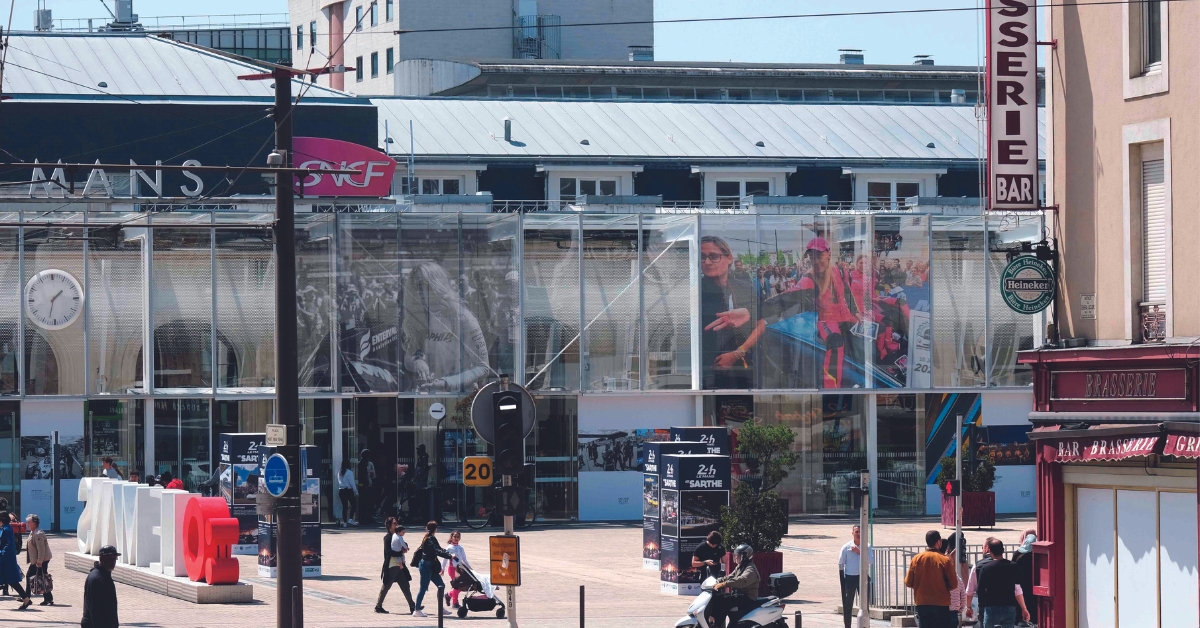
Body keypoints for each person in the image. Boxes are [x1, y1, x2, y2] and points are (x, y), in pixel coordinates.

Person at [700, 235, 764, 389]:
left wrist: (738, 353)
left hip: (741, 365)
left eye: (714, 257)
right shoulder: (696, 290)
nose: (707, 262)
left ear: (729, 259)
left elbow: (761, 323)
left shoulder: (744, 288)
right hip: (706, 369)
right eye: (702, 257)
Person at [965, 539, 1031, 628]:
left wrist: (983, 605)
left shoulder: (986, 568)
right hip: (1009, 607)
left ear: (990, 551)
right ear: (1003, 550)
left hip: (991, 607)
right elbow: (1018, 589)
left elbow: (980, 590)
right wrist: (1024, 608)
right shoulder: (1013, 566)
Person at [904, 530, 957, 628]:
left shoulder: (916, 558)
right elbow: (954, 584)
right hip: (941, 603)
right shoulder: (945, 560)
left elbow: (908, 582)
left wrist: (919, 587)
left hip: (922, 602)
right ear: (939, 542)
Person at [708, 544, 760, 628]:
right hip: (739, 595)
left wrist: (724, 584)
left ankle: (717, 625)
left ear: (745, 556)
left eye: (738, 555)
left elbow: (742, 581)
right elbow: (730, 577)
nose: (735, 557)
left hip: (748, 598)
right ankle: (714, 621)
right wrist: (717, 581)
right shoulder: (740, 566)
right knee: (717, 598)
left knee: (723, 601)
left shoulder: (750, 569)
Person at [412, 521, 454, 618]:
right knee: (423, 588)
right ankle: (416, 609)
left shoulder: (432, 538)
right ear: (435, 529)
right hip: (426, 566)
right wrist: (449, 556)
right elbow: (436, 550)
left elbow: (439, 549)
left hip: (431, 566)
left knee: (441, 585)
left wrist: (449, 554)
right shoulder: (429, 539)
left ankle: (440, 609)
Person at [376, 517, 415, 615]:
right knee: (386, 586)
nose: (396, 524)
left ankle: (412, 606)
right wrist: (400, 552)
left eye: (397, 523)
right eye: (394, 523)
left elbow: (403, 543)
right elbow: (388, 552)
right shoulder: (388, 537)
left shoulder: (397, 535)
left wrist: (405, 546)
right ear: (389, 525)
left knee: (405, 585)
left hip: (400, 566)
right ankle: (378, 606)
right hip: (392, 565)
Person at [837, 524, 873, 628]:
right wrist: (843, 580)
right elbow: (841, 563)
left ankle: (866, 625)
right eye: (856, 532)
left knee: (865, 606)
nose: (858, 534)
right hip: (850, 578)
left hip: (863, 578)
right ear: (852, 533)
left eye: (860, 532)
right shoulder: (846, 547)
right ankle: (847, 625)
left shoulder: (867, 546)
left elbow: (871, 560)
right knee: (848, 605)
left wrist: (860, 552)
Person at [82, 545, 120, 628]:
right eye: (109, 559)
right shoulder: (96, 579)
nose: (112, 562)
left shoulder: (105, 575)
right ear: (101, 559)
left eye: (114, 559)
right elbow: (95, 609)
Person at [0, 512, 31, 610]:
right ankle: (26, 599)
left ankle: (26, 599)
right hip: (5, 559)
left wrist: (2, 552)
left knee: (12, 580)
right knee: (11, 581)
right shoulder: (4, 528)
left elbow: (9, 544)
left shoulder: (7, 529)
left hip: (7, 560)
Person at [24, 514, 52, 606]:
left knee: (34, 577)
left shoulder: (38, 533)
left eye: (29, 522)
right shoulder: (33, 532)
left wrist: (39, 561)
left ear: (34, 523)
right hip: (37, 560)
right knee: (42, 578)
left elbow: (41, 549)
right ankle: (48, 598)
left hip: (40, 560)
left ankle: (26, 597)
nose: (27, 524)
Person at [1012, 530, 1037, 624]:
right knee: (1033, 605)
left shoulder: (1018, 553)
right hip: (1035, 584)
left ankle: (1021, 621)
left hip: (1020, 585)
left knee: (1021, 604)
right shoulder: (1038, 552)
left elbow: (1012, 568)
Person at [441, 530, 470, 608]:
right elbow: (444, 559)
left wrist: (469, 568)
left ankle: (449, 594)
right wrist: (442, 569)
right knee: (457, 586)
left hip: (461, 569)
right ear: (451, 538)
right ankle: (455, 602)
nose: (456, 538)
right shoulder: (449, 548)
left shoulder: (461, 548)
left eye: (458, 537)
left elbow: (464, 559)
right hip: (452, 569)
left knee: (463, 585)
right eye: (455, 537)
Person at [358, 449, 376, 525]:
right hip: (363, 486)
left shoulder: (369, 464)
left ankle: (368, 517)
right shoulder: (360, 464)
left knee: (368, 502)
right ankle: (363, 517)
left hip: (369, 485)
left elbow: (374, 475)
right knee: (363, 502)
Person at [338, 460, 358, 527]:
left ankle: (345, 522)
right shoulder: (349, 472)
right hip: (348, 490)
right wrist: (356, 491)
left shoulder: (340, 472)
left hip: (341, 490)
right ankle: (351, 519)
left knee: (345, 506)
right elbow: (352, 483)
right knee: (354, 504)